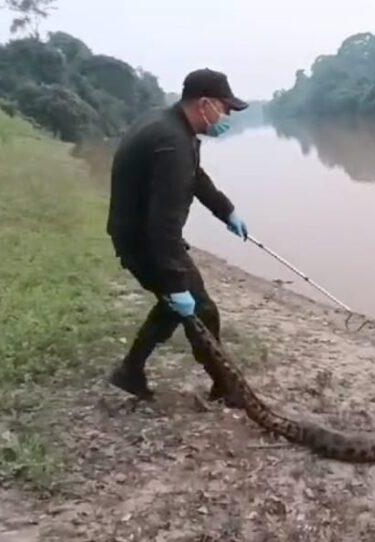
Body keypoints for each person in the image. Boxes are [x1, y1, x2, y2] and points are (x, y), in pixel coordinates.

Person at [105, 68, 250, 405]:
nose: (226, 116)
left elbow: (195, 177)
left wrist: (225, 211)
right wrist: (174, 281)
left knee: (174, 306)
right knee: (199, 307)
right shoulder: (172, 143)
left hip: (136, 235)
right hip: (145, 242)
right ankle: (225, 384)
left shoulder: (169, 125)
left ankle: (130, 372)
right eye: (225, 108)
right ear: (204, 104)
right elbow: (163, 225)